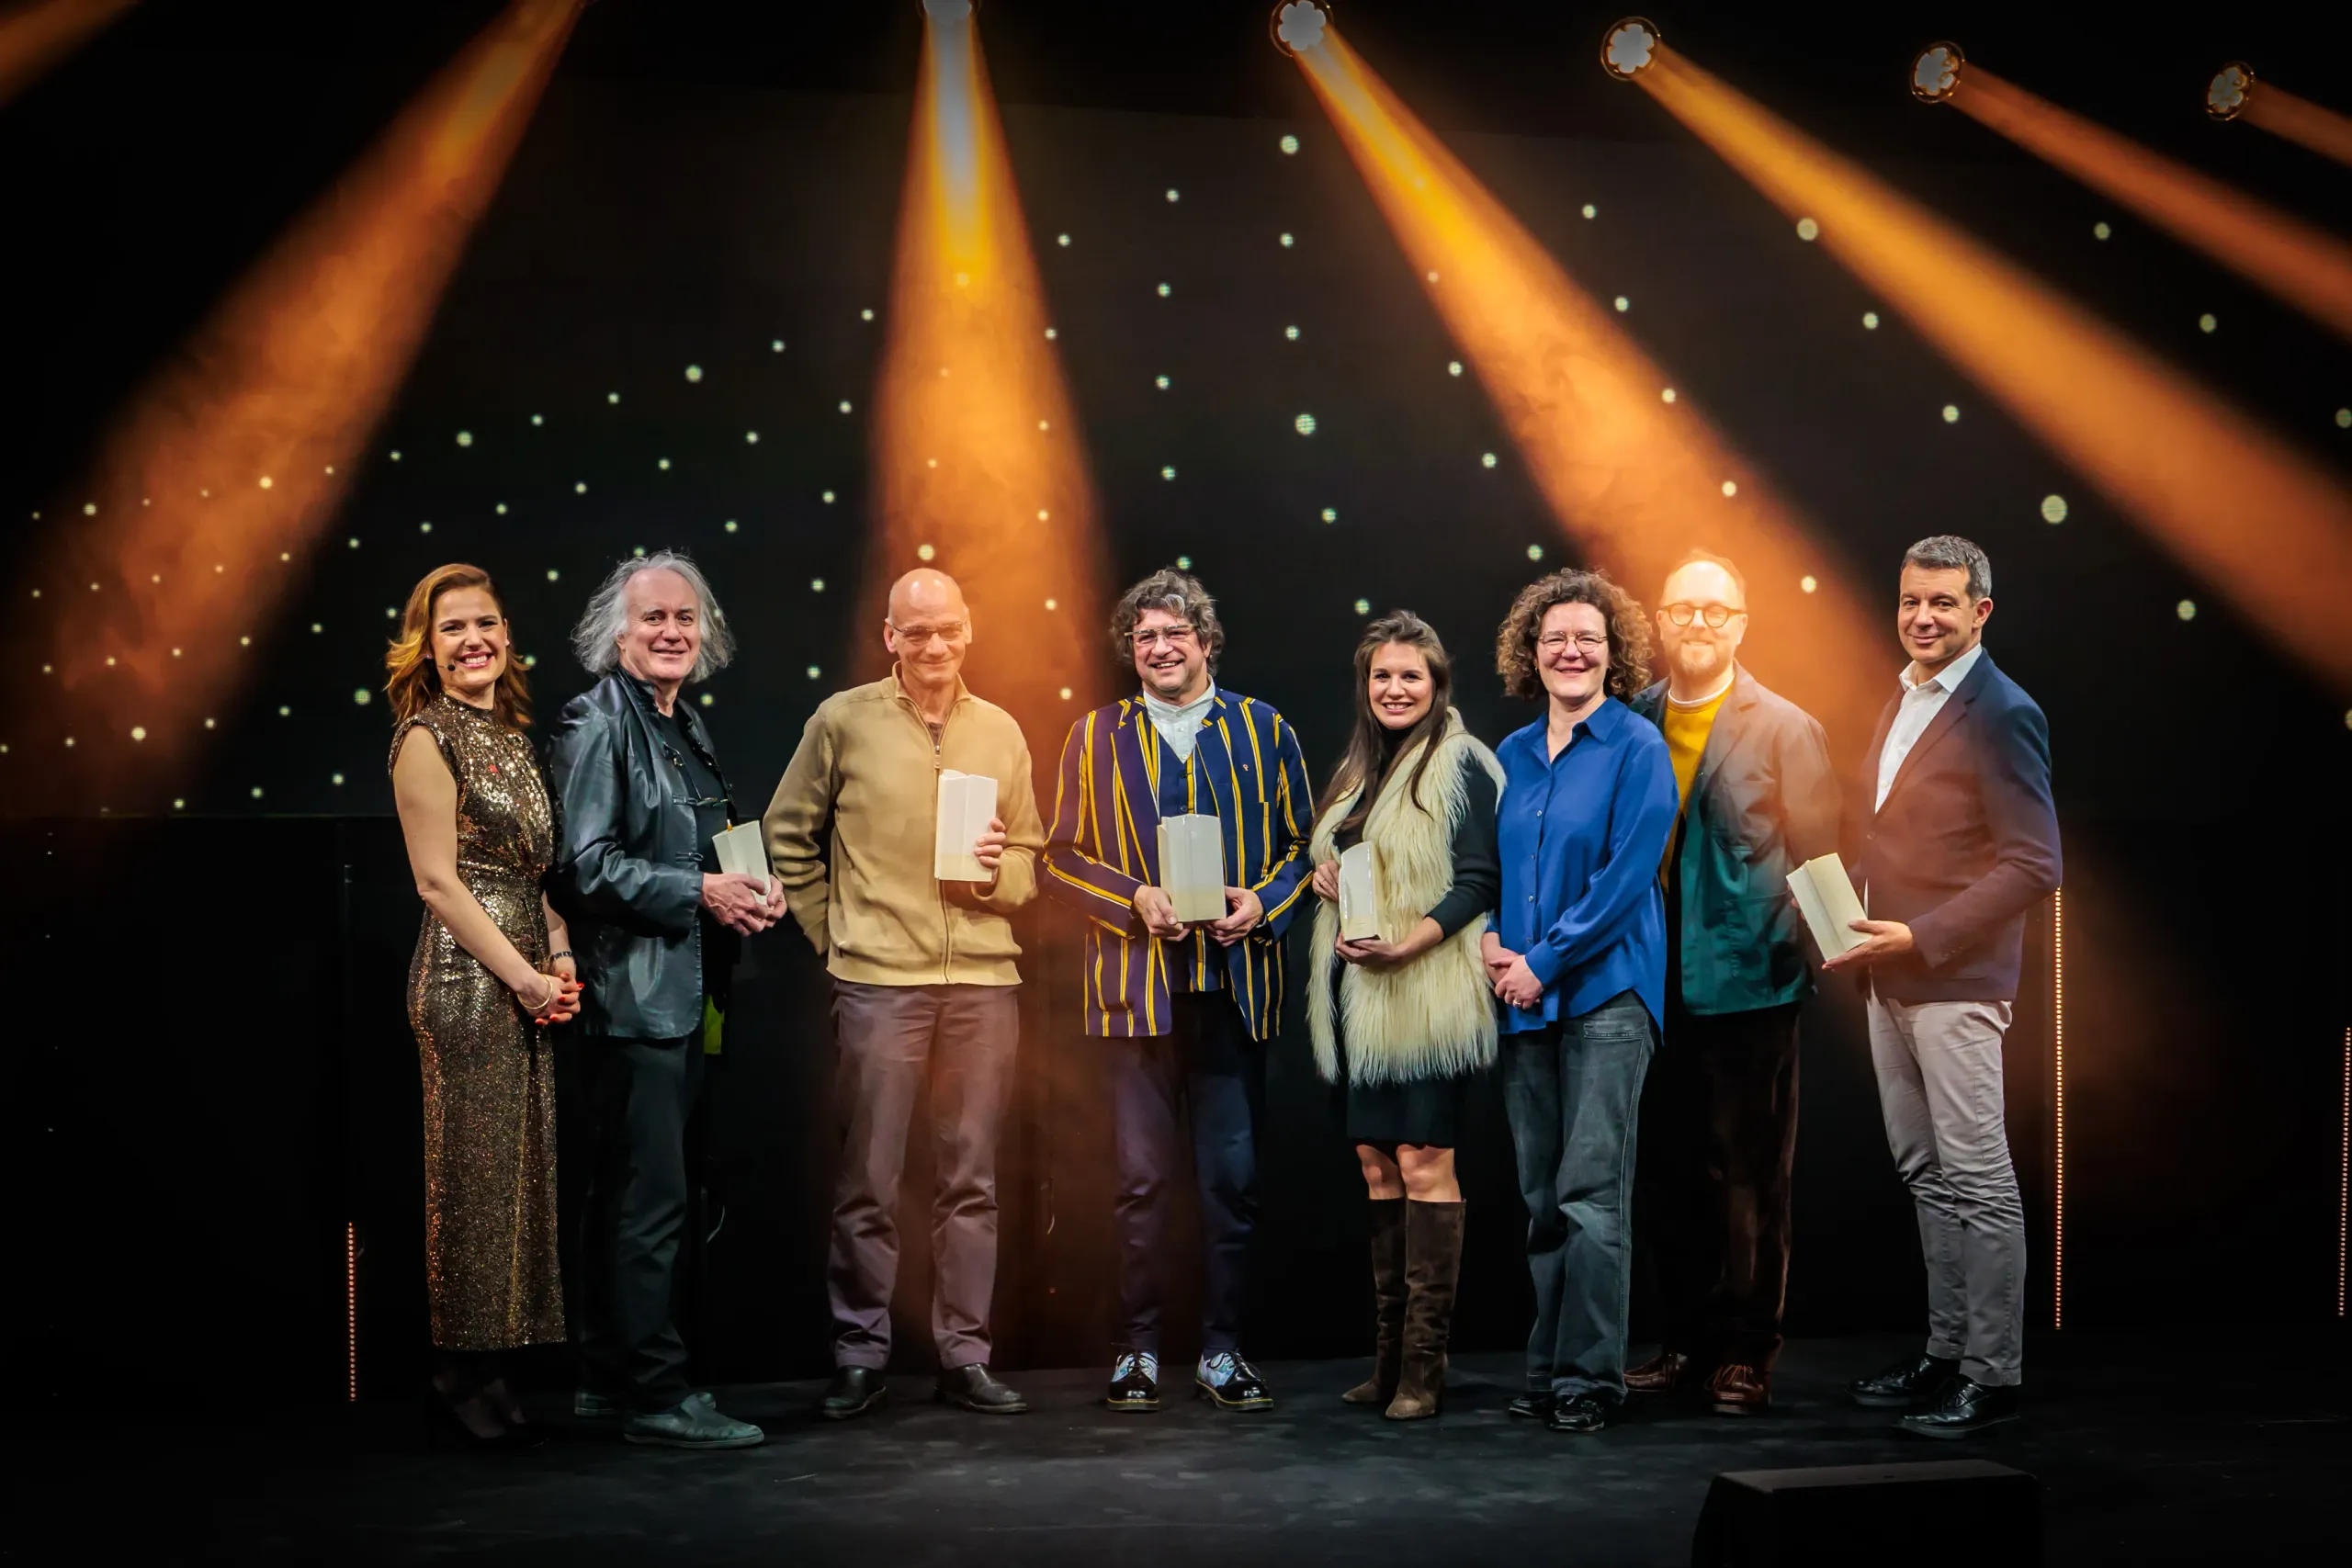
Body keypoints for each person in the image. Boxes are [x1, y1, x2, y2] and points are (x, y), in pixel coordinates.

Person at [763, 569, 1045, 1422]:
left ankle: (965, 1355)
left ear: (969, 631)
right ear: (889, 637)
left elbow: (1032, 862)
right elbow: (786, 838)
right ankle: (860, 1354)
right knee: (870, 1178)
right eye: (915, 632)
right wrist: (833, 934)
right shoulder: (841, 720)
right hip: (879, 982)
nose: (933, 646)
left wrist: (998, 878)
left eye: (947, 629)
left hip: (984, 985)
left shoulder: (1000, 731)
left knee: (972, 1181)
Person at [1043, 568, 1315, 1414]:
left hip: (1233, 995)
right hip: (1136, 999)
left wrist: (1260, 903)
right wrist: (1133, 900)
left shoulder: (1266, 730)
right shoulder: (1094, 736)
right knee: (1138, 1184)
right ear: (1133, 648)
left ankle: (1224, 1350)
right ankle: (1136, 1350)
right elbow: (1057, 855)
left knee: (1230, 1185)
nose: (1160, 648)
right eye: (1145, 636)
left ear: (1207, 641)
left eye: (1176, 633)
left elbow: (1307, 849)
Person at [548, 550, 784, 1450]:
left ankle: (612, 1383)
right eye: (653, 618)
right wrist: (700, 890)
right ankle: (654, 1394)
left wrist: (751, 888)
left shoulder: (681, 722)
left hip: (685, 994)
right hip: (635, 1003)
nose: (671, 632)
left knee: (645, 1198)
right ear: (616, 630)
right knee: (648, 1206)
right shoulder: (598, 721)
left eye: (685, 618)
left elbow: (710, 846)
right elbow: (585, 865)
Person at [1826, 536, 2059, 1438]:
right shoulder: (1905, 697)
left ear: (1979, 614)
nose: (1922, 617)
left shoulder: (2003, 711)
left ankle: (1991, 1374)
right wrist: (1838, 891)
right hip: (1890, 976)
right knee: (1925, 1172)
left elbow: (2035, 863)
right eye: (1910, 601)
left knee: (1976, 1179)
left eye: (1942, 604)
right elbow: (1899, 837)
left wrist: (1920, 934)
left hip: (1954, 979)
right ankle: (1947, 1350)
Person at [1623, 552, 1838, 1416]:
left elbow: (1821, 859)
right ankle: (1684, 1342)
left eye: (1718, 610)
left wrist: (1813, 952)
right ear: (1661, 622)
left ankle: (1748, 1352)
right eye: (1684, 609)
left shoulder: (1786, 726)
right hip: (1649, 983)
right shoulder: (1631, 717)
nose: (1700, 623)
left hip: (1753, 983)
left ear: (1742, 625)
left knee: (1751, 1180)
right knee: (1670, 1173)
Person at [386, 564, 581, 1450]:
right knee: (470, 1183)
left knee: (516, 1185)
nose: (475, 641)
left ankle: (494, 1362)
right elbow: (439, 882)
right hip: (469, 984)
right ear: (426, 647)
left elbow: (536, 870)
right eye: (454, 628)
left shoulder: (510, 733)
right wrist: (526, 978)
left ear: (508, 635)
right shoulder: (425, 735)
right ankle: (455, 1368)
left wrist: (563, 957)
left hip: (528, 977)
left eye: (487, 624)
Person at [1485, 568, 1679, 1436]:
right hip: (1522, 998)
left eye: (1588, 639)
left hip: (1605, 996)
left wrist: (1542, 962)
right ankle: (1547, 1364)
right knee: (1539, 1198)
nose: (1571, 649)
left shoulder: (1637, 747)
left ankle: (1591, 1378)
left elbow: (1624, 879)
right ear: (1532, 652)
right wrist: (1491, 937)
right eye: (1555, 637)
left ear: (1615, 655)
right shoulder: (1515, 754)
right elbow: (1496, 869)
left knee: (1593, 1193)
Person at [1304, 612, 1502, 1421]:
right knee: (1377, 1167)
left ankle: (1425, 1367)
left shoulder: (1463, 765)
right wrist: (1323, 874)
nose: (1394, 688)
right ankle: (1387, 1363)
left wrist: (1408, 943)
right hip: (1361, 1005)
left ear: (1437, 684)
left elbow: (1478, 879)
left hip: (1429, 1000)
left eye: (1410, 676)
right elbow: (1346, 858)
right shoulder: (1359, 770)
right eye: (1382, 676)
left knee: (1425, 1163)